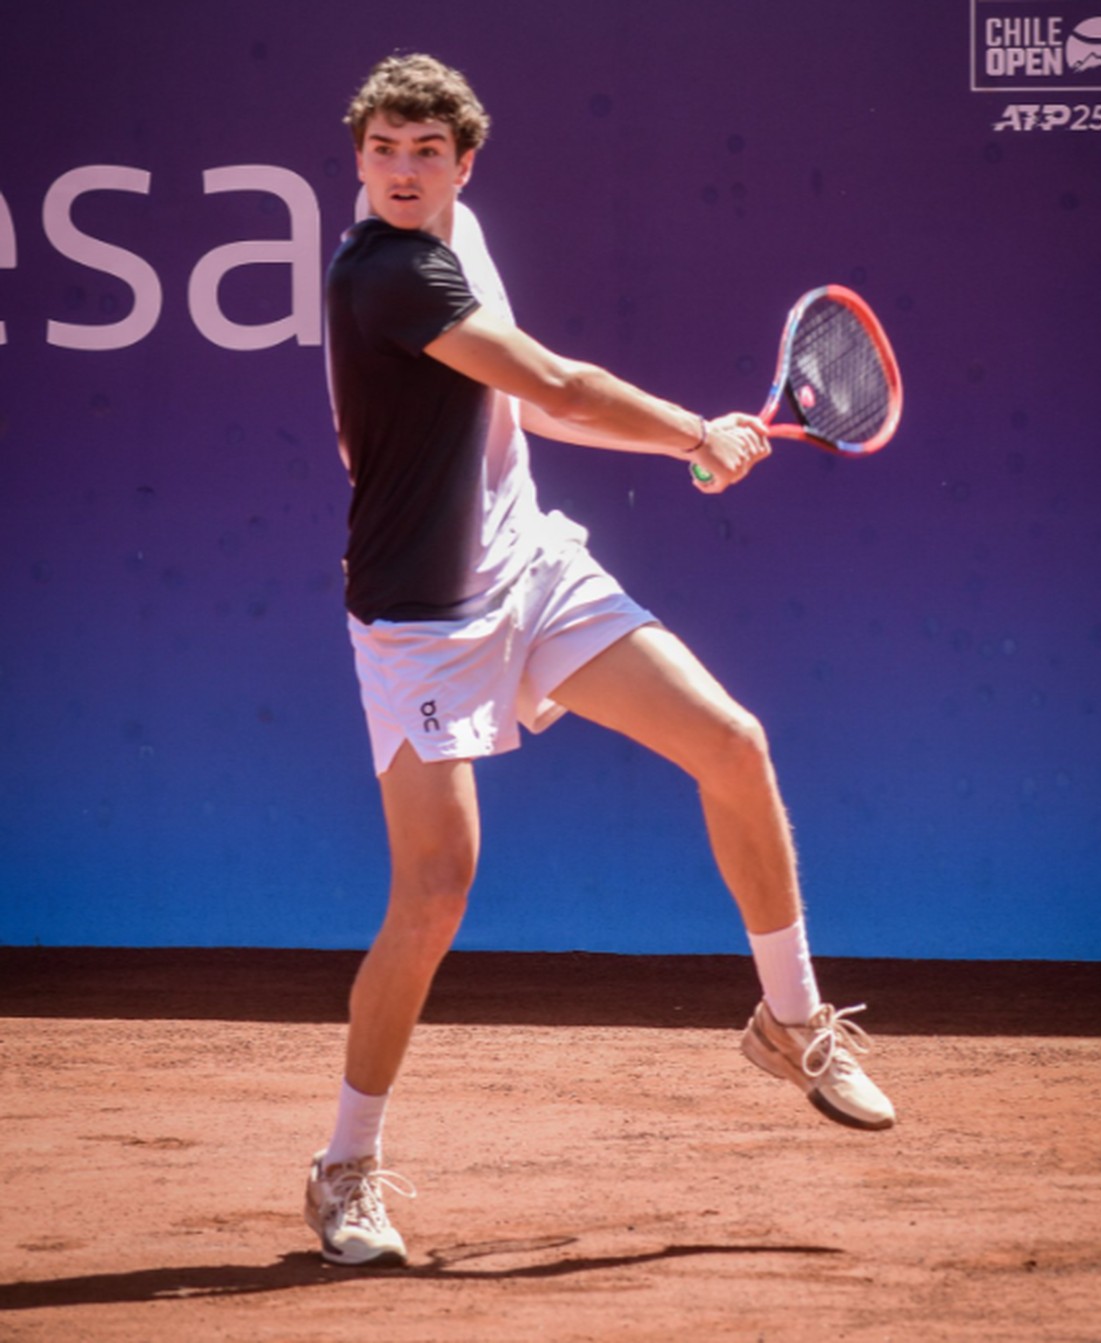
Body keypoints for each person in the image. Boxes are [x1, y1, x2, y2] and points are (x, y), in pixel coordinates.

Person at [305, 52, 894, 1268]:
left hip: (527, 562)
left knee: (731, 742)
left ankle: (792, 1020)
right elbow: (559, 379)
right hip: (422, 614)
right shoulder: (388, 269)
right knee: (436, 889)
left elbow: (525, 408)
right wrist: (696, 432)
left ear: (464, 164)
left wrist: (691, 445)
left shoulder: (462, 236)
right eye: (383, 152)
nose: (402, 173)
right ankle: (344, 1165)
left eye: (426, 153)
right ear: (358, 159)